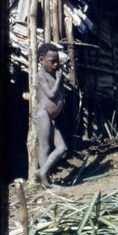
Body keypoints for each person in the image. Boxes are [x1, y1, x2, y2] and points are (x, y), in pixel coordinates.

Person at [33, 42, 72, 186]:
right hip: (43, 115)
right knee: (45, 147)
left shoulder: (52, 75)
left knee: (62, 148)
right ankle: (45, 179)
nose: (56, 65)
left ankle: (42, 172)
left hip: (50, 118)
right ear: (41, 60)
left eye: (57, 61)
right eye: (52, 61)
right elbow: (51, 94)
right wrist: (59, 80)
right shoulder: (41, 75)